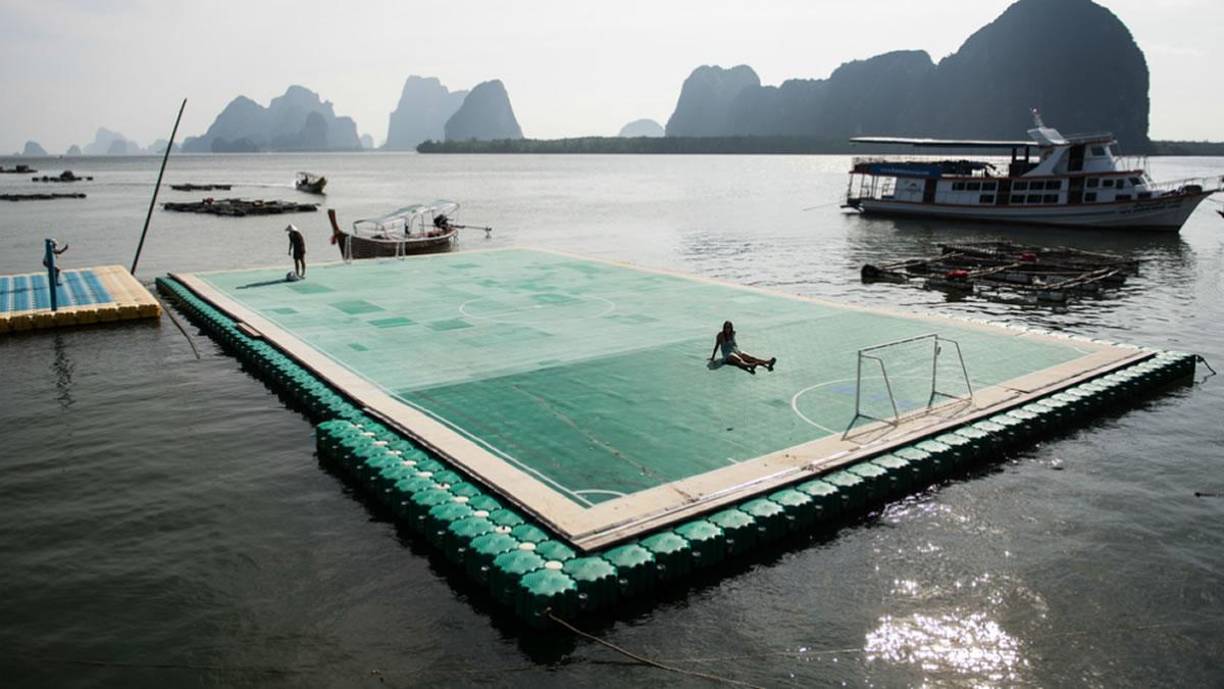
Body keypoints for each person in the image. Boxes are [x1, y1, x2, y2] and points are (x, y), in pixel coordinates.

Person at [709, 320, 776, 374]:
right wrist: (713, 357)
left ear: (731, 328)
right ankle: (750, 366)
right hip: (727, 354)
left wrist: (738, 352)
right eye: (726, 327)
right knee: (739, 360)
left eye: (729, 327)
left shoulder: (733, 333)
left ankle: (768, 362)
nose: (727, 329)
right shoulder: (720, 335)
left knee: (750, 358)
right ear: (724, 328)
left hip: (737, 351)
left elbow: (734, 345)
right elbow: (716, 346)